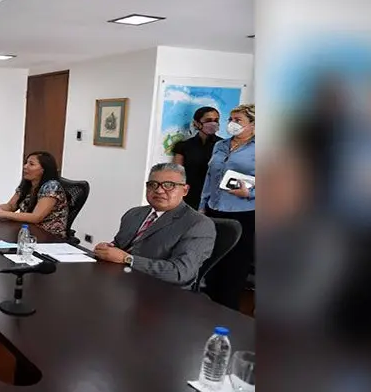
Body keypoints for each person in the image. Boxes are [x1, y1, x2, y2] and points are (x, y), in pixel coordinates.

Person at [95, 163, 216, 286]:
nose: (159, 190)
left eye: (169, 185)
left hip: (162, 291)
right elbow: (119, 245)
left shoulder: (198, 224)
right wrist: (107, 248)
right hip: (123, 280)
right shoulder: (134, 213)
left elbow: (180, 273)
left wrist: (128, 259)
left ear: (185, 190)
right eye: (153, 185)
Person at [199, 103, 256, 310]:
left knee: (233, 272)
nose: (232, 124)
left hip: (244, 214)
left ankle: (227, 319)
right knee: (210, 266)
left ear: (254, 125)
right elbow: (210, 177)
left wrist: (250, 193)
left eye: (238, 120)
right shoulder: (220, 145)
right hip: (214, 210)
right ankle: (207, 314)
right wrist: (202, 205)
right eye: (230, 119)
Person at [0, 151, 69, 237]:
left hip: (48, 237)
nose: (25, 166)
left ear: (43, 169)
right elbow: (11, 206)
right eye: (26, 163)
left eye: (31, 164)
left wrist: (2, 214)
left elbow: (36, 217)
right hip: (27, 231)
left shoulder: (52, 186)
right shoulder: (27, 184)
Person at [172, 106, 223, 209]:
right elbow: (176, 174)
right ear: (196, 123)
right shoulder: (183, 146)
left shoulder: (224, 145)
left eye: (216, 120)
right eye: (208, 120)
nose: (213, 123)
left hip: (215, 198)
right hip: (189, 197)